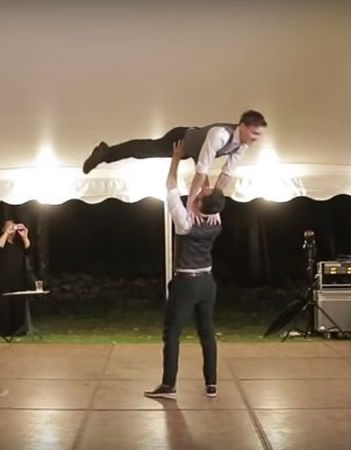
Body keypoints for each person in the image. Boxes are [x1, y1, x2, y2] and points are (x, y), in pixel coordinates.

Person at [144, 141, 226, 400]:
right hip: (207, 283)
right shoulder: (216, 218)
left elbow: (171, 185)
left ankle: (168, 386)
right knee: (207, 332)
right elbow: (207, 191)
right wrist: (201, 162)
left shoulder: (185, 221)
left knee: (172, 333)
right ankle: (211, 384)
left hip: (187, 284)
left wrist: (176, 158)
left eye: (201, 193)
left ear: (199, 202)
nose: (201, 190)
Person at [83, 110, 266, 215]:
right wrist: (190, 203)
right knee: (145, 150)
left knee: (146, 151)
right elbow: (201, 171)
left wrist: (215, 200)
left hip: (194, 150)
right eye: (254, 133)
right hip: (181, 138)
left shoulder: (242, 145)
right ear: (242, 126)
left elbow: (226, 174)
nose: (256, 138)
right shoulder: (220, 135)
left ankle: (106, 152)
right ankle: (106, 152)